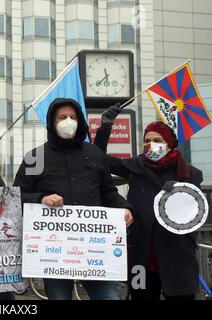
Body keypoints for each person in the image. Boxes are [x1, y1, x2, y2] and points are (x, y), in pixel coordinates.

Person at [14, 98, 133, 300]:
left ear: (80, 121)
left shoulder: (95, 154)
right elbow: (16, 198)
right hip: (53, 253)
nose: (68, 121)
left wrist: (125, 208)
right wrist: (41, 198)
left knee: (109, 297)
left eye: (72, 117)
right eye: (62, 117)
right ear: (52, 122)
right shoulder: (35, 157)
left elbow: (109, 193)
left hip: (95, 251)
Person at [94, 104, 203, 300]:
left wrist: (179, 188)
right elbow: (98, 159)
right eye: (147, 141)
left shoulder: (190, 174)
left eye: (157, 140)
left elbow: (195, 209)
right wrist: (106, 127)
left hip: (177, 255)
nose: (151, 145)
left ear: (169, 143)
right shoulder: (134, 166)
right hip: (142, 256)